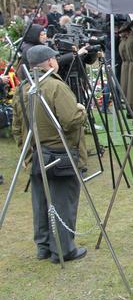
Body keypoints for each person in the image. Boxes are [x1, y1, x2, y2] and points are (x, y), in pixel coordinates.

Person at [12, 45, 88, 263]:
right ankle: (63, 250)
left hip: (36, 153)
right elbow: (71, 120)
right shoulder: (55, 86)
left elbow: (18, 126)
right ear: (49, 62)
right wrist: (81, 109)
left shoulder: (24, 87)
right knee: (62, 201)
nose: (56, 60)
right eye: (53, 57)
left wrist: (26, 154)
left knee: (41, 201)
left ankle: (43, 246)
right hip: (59, 153)